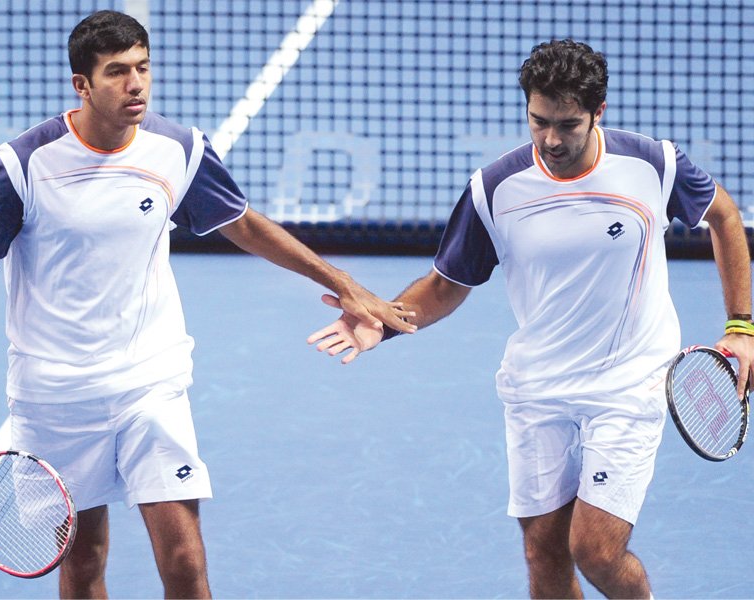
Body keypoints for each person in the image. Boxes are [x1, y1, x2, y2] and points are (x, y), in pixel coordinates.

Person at [0, 10, 415, 599]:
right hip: (55, 398)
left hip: (150, 383)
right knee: (83, 561)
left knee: (183, 560)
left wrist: (342, 281)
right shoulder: (19, 167)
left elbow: (244, 225)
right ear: (82, 84)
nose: (136, 84)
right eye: (117, 72)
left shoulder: (176, 149)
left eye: (143, 68)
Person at [309, 39, 754, 599]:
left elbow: (724, 214)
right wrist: (386, 321)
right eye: (538, 121)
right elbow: (446, 285)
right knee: (542, 553)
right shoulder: (496, 189)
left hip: (629, 383)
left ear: (599, 112)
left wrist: (741, 326)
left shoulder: (651, 165)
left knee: (595, 550)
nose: (550, 139)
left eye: (567, 124)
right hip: (538, 388)